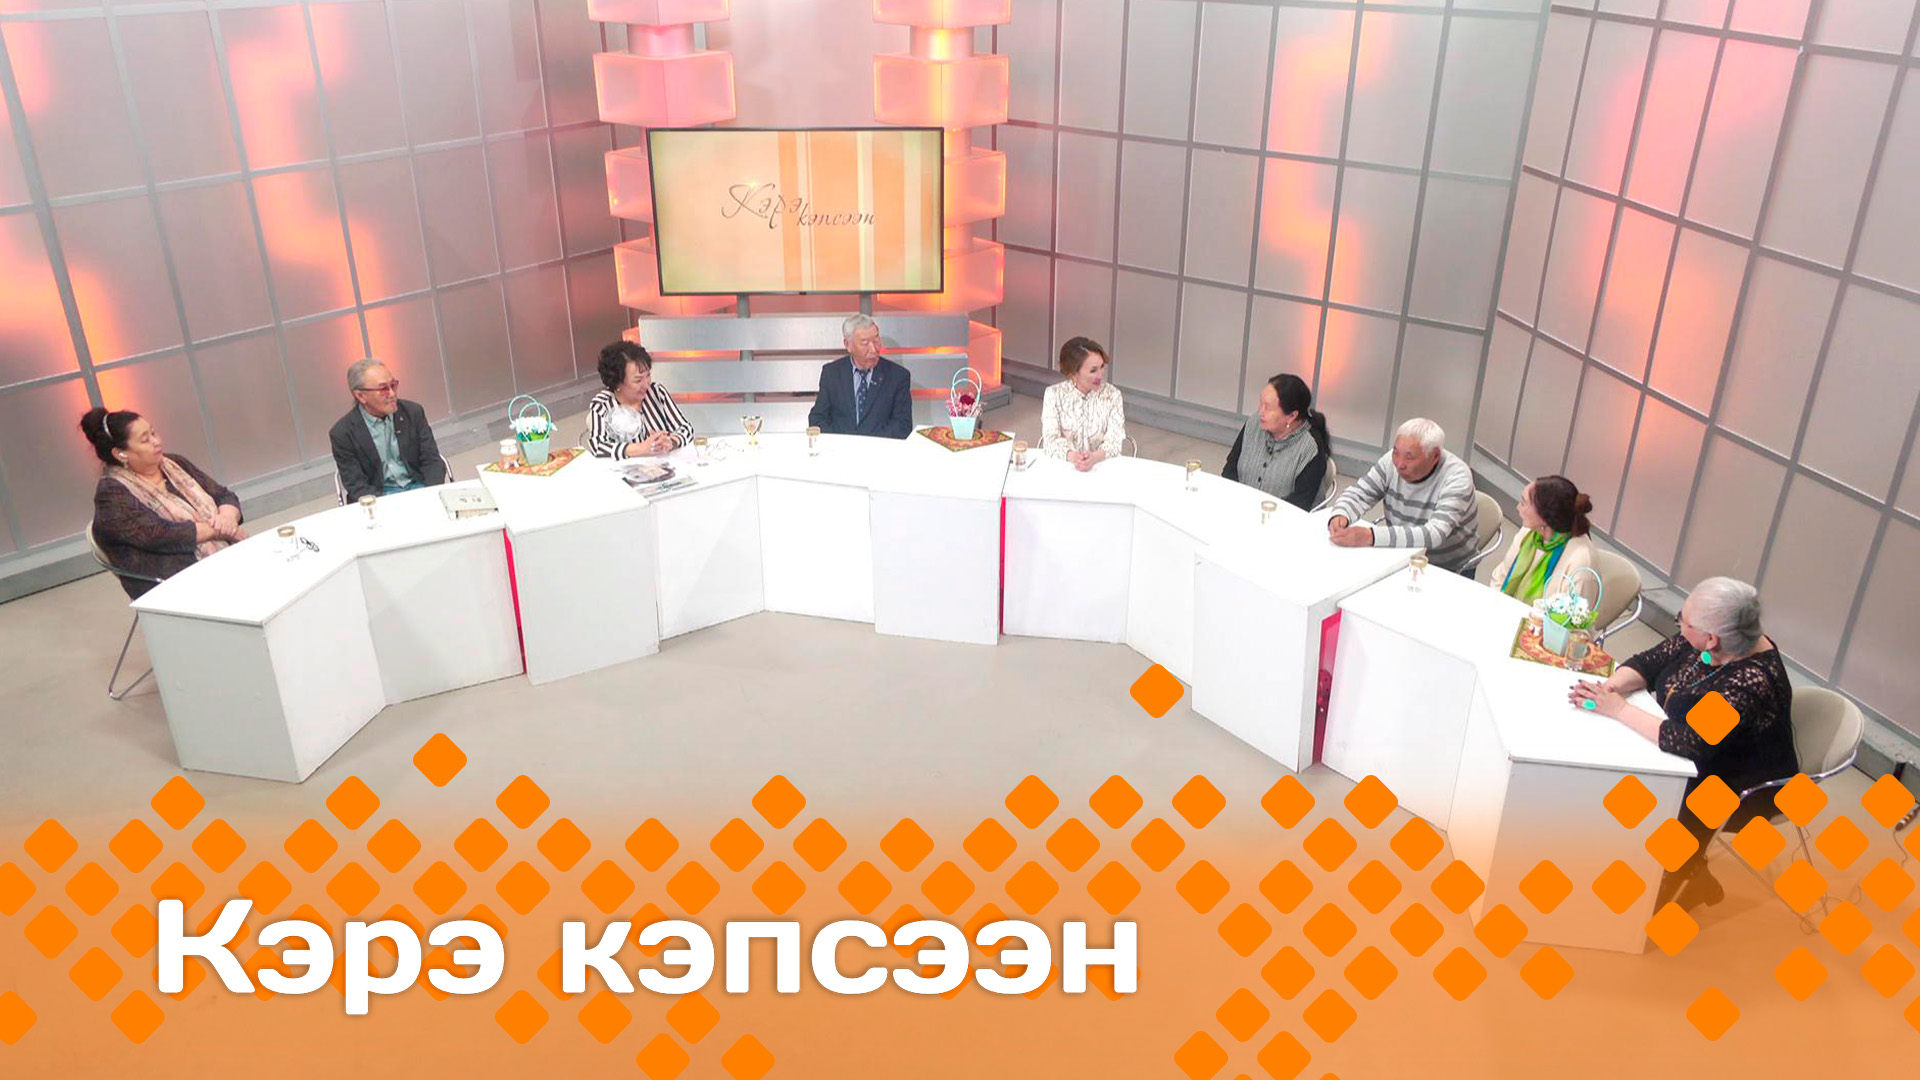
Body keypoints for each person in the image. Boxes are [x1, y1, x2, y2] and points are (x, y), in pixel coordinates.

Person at [1569, 577, 1796, 911]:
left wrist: (1618, 710)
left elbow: (1689, 740)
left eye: (1684, 621)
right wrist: (1610, 689)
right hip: (1701, 759)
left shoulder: (1750, 681)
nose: (1680, 625)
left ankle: (1677, 879)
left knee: (1643, 797)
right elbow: (1649, 662)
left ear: (1712, 638)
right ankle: (1677, 870)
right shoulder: (1713, 639)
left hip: (1739, 784)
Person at [82, 407, 245, 599]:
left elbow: (223, 495)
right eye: (145, 440)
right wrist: (221, 530)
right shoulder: (112, 495)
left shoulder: (175, 463)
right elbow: (162, 535)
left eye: (153, 433)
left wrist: (227, 517)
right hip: (171, 583)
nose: (157, 441)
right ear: (120, 454)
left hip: (219, 559)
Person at [1324, 417, 1479, 573]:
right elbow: (1360, 494)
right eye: (1396, 452)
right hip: (1401, 555)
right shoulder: (1389, 462)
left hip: (1448, 568)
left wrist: (1370, 536)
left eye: (1410, 457)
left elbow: (1434, 534)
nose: (1399, 464)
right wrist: (1341, 514)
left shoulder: (1457, 477)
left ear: (1435, 456)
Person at [329, 359, 448, 502]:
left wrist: (429, 494)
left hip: (420, 488)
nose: (392, 394)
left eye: (393, 385)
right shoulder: (343, 434)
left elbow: (432, 460)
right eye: (383, 389)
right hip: (379, 498)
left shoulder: (413, 413)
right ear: (360, 396)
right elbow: (357, 486)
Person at [1223, 373, 1330, 510]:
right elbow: (1230, 471)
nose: (1260, 411)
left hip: (1286, 518)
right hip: (1242, 509)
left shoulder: (1310, 447)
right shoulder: (1254, 424)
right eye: (1260, 402)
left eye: (1268, 407)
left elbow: (1300, 504)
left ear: (1291, 416)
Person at [1489, 476, 1596, 604]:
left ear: (1544, 518)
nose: (1518, 507)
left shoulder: (1580, 560)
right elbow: (1500, 578)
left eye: (1523, 503)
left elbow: (1570, 613)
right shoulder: (1528, 533)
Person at [808, 314, 913, 438]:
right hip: (840, 448)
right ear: (848, 345)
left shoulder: (898, 376)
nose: (873, 349)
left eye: (876, 340)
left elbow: (902, 425)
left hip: (880, 448)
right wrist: (841, 443)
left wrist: (867, 444)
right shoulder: (832, 373)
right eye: (865, 343)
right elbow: (818, 418)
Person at [584, 340, 694, 458]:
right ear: (617, 383)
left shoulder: (657, 393)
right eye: (638, 380)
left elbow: (686, 428)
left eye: (648, 375)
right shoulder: (602, 405)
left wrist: (671, 442)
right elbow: (598, 446)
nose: (646, 384)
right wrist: (640, 448)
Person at [1040, 336, 1125, 472]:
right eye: (1093, 370)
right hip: (1064, 468)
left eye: (1102, 367)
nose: (1100, 375)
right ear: (1073, 373)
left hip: (1102, 469)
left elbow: (1115, 442)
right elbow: (1050, 440)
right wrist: (1073, 457)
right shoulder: (1053, 395)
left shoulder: (1113, 395)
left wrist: (1094, 458)